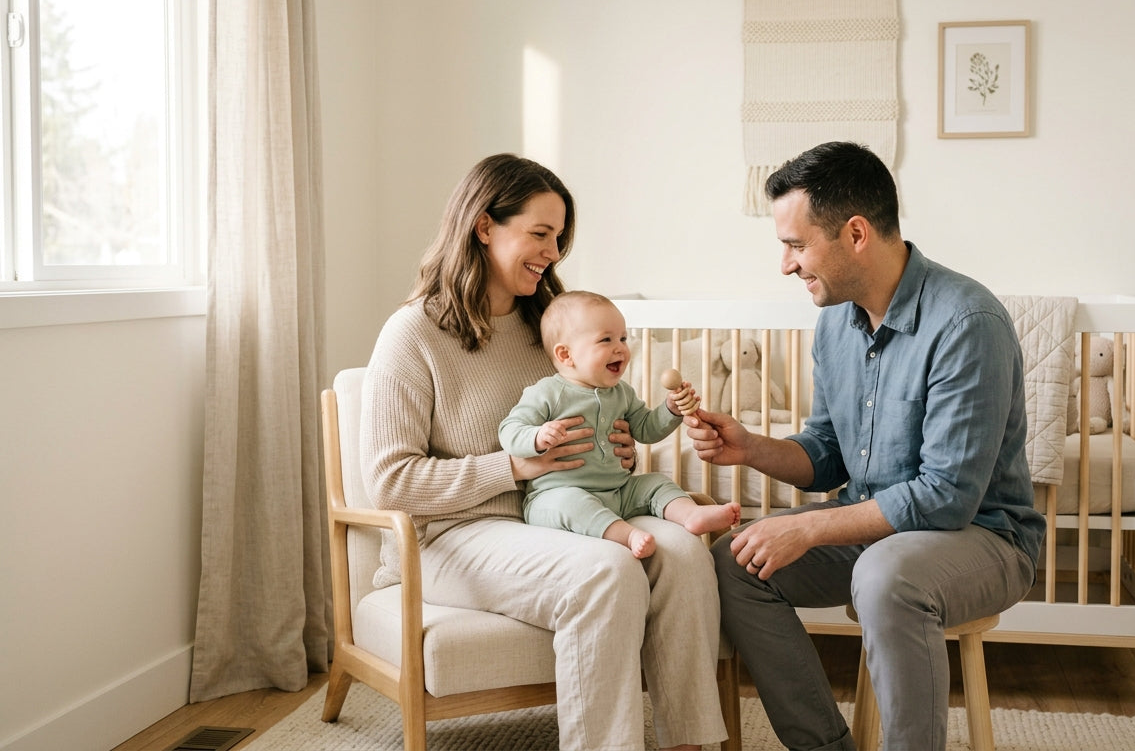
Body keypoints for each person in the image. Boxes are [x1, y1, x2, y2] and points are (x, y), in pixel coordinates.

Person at [684, 141, 1047, 751]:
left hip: (984, 538)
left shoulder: (967, 323)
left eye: (797, 245)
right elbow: (827, 451)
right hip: (873, 530)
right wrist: (750, 447)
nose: (785, 264)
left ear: (855, 233)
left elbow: (947, 498)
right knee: (734, 566)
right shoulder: (835, 321)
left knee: (885, 577)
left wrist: (806, 530)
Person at [360, 154, 727, 751]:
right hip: (452, 536)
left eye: (558, 238)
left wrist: (623, 450)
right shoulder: (413, 334)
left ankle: (691, 743)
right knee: (608, 573)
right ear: (484, 227)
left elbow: (604, 427)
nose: (553, 252)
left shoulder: (553, 331)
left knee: (683, 553)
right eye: (539, 234)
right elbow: (390, 482)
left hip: (560, 513)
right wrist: (512, 465)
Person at [500, 290, 741, 558]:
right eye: (606, 339)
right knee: (570, 504)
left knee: (656, 483)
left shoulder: (621, 392)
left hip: (617, 491)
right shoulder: (546, 392)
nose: (621, 348)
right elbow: (509, 430)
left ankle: (690, 514)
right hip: (558, 494)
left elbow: (646, 429)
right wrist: (536, 436)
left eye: (623, 338)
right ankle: (626, 534)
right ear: (566, 355)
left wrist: (670, 409)